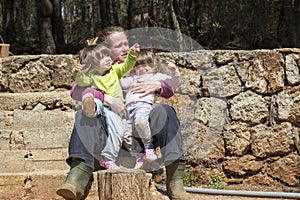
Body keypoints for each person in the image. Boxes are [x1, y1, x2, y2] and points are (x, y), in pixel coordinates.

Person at [57, 26, 190, 200]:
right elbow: (76, 91)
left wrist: (159, 86)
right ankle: (77, 178)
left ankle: (175, 181)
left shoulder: (137, 64)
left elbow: (168, 89)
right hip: (108, 140)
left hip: (137, 136)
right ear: (106, 50)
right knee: (85, 114)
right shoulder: (101, 69)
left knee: (166, 111)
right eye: (119, 45)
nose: (125, 48)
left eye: (126, 43)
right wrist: (109, 99)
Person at [74, 43, 140, 169]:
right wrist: (78, 73)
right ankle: (91, 107)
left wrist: (132, 54)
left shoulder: (114, 71)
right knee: (96, 101)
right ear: (92, 64)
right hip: (102, 107)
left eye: (108, 56)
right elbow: (81, 82)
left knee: (119, 132)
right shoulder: (91, 76)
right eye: (102, 57)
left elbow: (127, 66)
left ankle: (113, 156)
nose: (109, 59)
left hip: (116, 111)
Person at [121, 50, 181, 170]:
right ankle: (139, 154)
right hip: (128, 110)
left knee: (140, 122)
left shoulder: (156, 76)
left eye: (146, 65)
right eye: (138, 66)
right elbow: (118, 82)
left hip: (142, 105)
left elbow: (173, 83)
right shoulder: (132, 78)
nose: (142, 69)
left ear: (154, 66)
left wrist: (174, 71)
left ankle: (149, 148)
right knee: (125, 134)